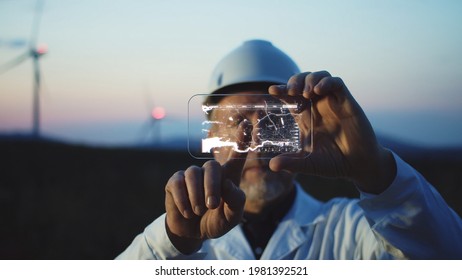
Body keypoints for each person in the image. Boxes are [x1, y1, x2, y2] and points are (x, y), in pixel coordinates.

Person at [117, 40, 462, 259]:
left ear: (303, 131)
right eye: (236, 122)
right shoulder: (179, 244)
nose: (253, 141)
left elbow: (446, 256)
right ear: (211, 136)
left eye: (274, 121)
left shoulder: (354, 230)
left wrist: (375, 171)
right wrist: (174, 241)